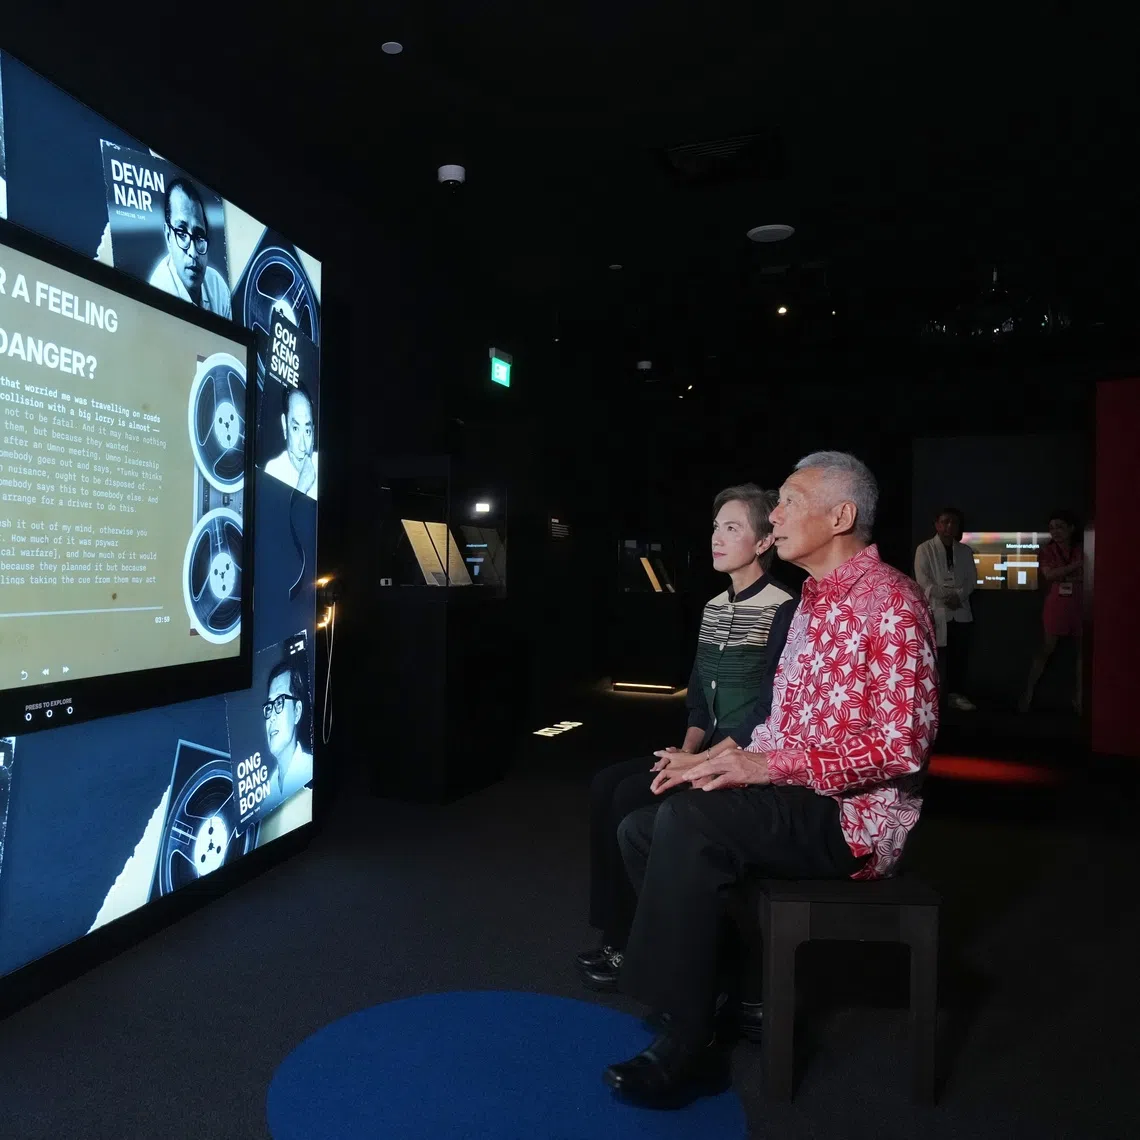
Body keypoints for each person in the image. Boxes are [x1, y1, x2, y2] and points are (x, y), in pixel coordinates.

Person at [603, 451, 940, 1105]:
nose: (775, 514)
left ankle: (688, 1033)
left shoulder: (893, 604)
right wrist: (707, 761)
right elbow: (777, 728)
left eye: (788, 501)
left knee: (691, 821)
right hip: (793, 792)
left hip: (852, 819)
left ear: (841, 515)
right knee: (644, 822)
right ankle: (730, 995)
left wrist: (769, 766)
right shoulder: (812, 605)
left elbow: (904, 747)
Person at [577, 485, 796, 1004]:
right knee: (608, 785)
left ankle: (637, 946)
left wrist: (699, 761)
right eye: (716, 527)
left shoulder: (784, 608)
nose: (718, 538)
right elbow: (699, 700)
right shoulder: (714, 606)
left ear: (765, 541)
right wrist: (683, 751)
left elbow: (768, 711)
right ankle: (617, 934)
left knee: (634, 798)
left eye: (733, 528)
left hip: (743, 756)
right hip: (705, 749)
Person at [1019, 511, 1083, 714]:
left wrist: (1065, 575)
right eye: (1052, 527)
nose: (1055, 531)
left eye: (1060, 527)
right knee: (1045, 649)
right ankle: (1028, 694)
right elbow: (1050, 574)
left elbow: (1089, 575)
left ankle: (1080, 698)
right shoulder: (1048, 551)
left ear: (1071, 528)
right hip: (1056, 605)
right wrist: (1076, 569)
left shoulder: (1082, 547)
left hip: (1081, 604)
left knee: (1083, 653)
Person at [914, 507, 977, 711]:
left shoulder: (965, 551)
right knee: (937, 656)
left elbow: (971, 580)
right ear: (937, 524)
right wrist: (947, 596)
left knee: (959, 655)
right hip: (938, 610)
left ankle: (956, 695)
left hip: (960, 611)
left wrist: (957, 596)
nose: (950, 526)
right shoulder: (925, 549)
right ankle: (935, 697)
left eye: (954, 522)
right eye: (945, 521)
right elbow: (923, 581)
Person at [148, 177, 232, 317]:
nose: (193, 252)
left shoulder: (218, 287)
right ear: (169, 237)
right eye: (181, 233)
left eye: (199, 237)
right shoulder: (158, 290)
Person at [263, 662, 313, 805]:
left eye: (279, 702)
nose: (271, 716)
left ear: (297, 711)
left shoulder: (310, 769)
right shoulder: (266, 795)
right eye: (269, 706)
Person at [264, 383, 318, 500]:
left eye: (308, 431)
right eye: (295, 428)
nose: (303, 447)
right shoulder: (273, 470)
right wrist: (301, 487)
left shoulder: (320, 464)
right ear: (285, 425)